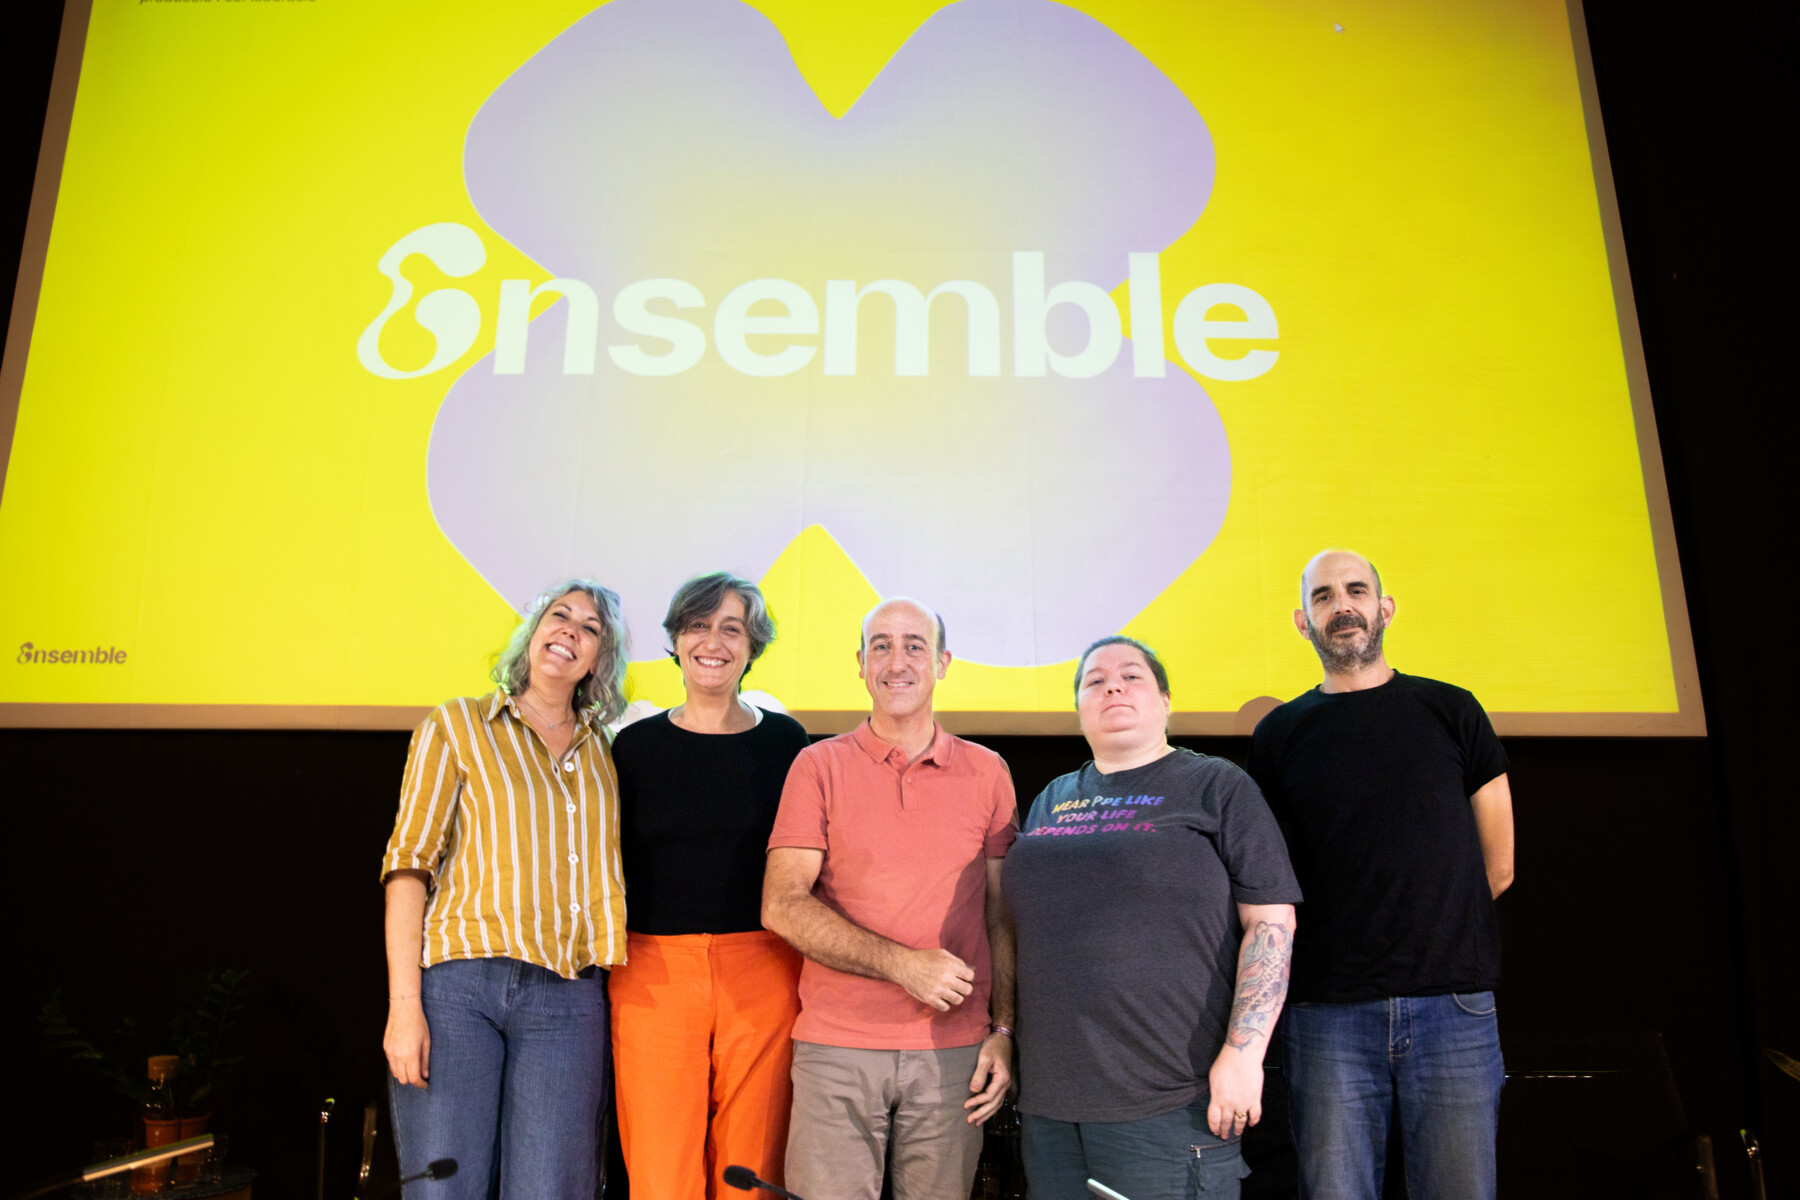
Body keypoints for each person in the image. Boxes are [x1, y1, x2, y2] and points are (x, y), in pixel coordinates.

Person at [1247, 549, 1515, 1200]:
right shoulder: (1279, 734)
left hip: (1453, 1006)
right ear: (1302, 622)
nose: (1341, 605)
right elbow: (1267, 882)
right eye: (1322, 596)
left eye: (1356, 590)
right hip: (1326, 1014)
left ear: (1384, 608)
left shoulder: (1452, 709)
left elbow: (1499, 864)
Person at [1003, 635, 1301, 1200]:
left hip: (1169, 1106)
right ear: (1079, 709)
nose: (1113, 687)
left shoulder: (1217, 786)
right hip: (1051, 1109)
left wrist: (1244, 1056)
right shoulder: (1050, 799)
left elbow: (1271, 924)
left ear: (1165, 700)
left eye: (1131, 676)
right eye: (1095, 681)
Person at [380, 580, 630, 1199]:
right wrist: (404, 1007)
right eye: (560, 615)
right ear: (532, 632)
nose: (571, 630)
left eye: (591, 628)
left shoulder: (607, 751)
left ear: (598, 660)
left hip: (567, 1000)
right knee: (444, 1189)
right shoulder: (457, 724)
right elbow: (408, 868)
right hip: (457, 990)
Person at [761, 598, 1017, 1200]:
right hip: (836, 1048)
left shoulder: (989, 772)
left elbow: (1002, 917)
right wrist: (904, 965)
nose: (896, 661)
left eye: (914, 646)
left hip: (954, 1053)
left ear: (942, 663)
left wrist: (1004, 1029)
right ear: (860, 663)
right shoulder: (816, 766)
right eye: (881, 645)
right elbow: (782, 905)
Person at [608, 572, 812, 1200]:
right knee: (659, 1168)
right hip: (652, 972)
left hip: (765, 967)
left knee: (751, 1167)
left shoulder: (787, 743)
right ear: (676, 639)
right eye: (698, 625)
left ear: (753, 646)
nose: (713, 642)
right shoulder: (632, 746)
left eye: (733, 628)